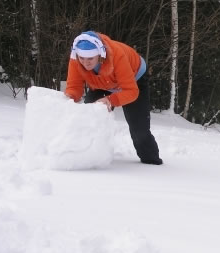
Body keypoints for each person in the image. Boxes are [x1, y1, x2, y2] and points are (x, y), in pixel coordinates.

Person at [64, 31, 163, 165]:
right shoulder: (76, 59)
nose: (85, 63)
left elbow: (131, 91)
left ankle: (151, 162)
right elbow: (74, 86)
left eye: (90, 59)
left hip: (134, 80)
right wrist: (69, 98)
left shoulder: (117, 56)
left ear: (100, 54)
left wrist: (111, 100)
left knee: (139, 129)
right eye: (82, 58)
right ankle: (89, 157)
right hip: (101, 83)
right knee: (89, 118)